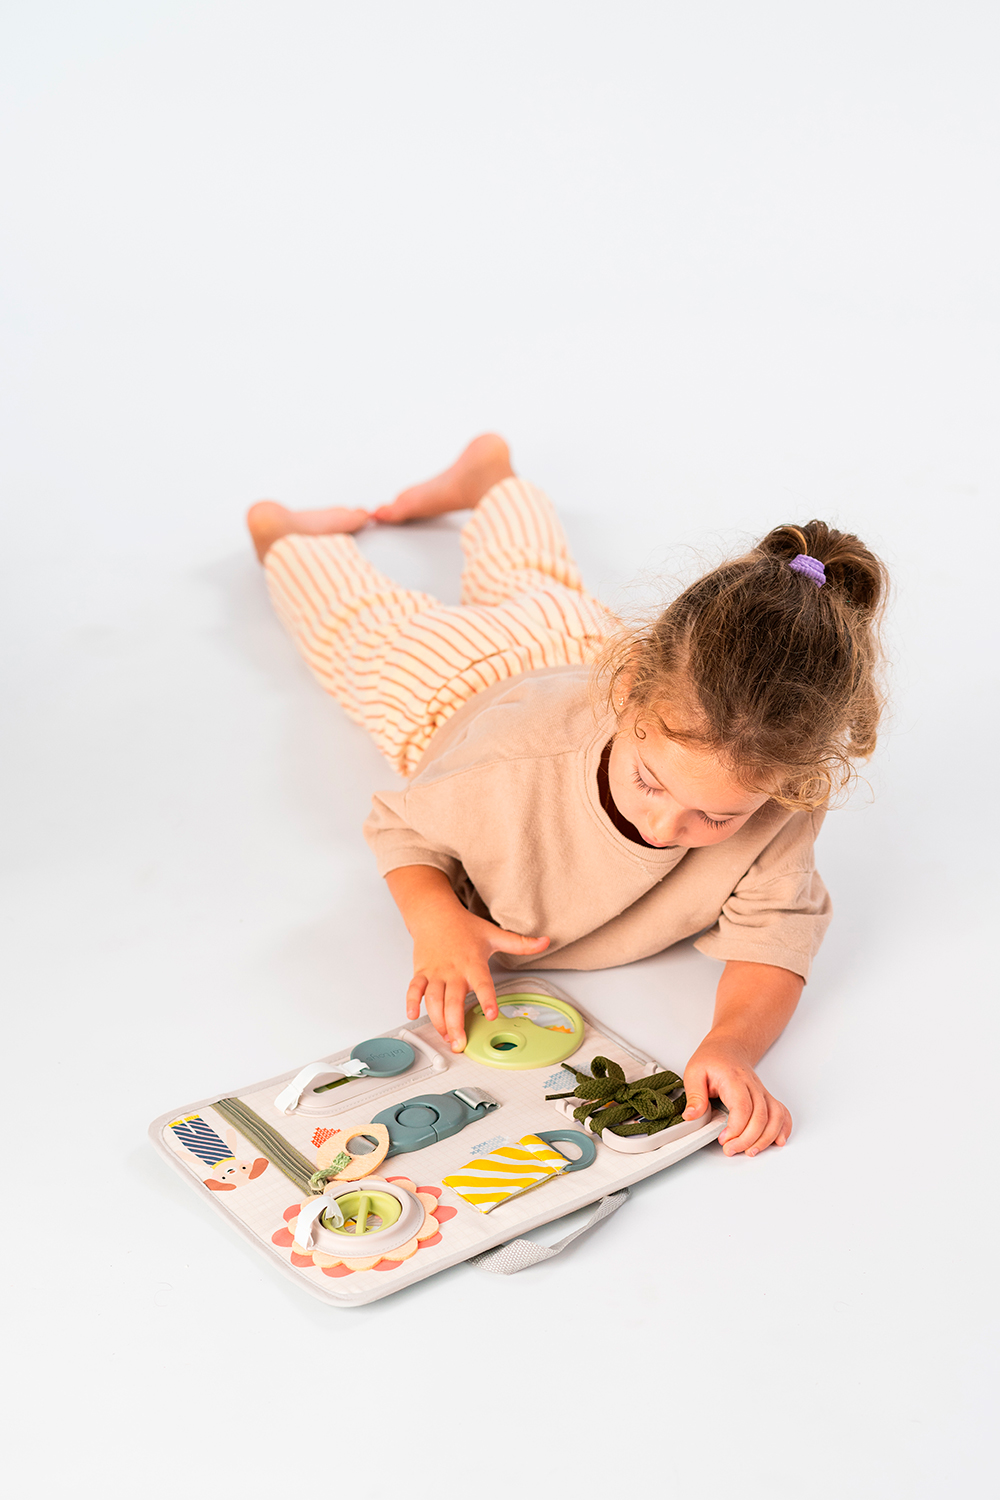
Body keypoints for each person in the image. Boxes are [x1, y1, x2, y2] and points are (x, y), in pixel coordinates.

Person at [247, 434, 887, 1158]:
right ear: (629, 691)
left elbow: (776, 934)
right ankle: (281, 531)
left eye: (716, 817)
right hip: (456, 678)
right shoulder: (511, 765)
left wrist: (731, 1044)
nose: (664, 826)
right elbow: (402, 828)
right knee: (357, 627)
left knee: (535, 577)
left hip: (577, 641)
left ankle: (492, 478)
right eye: (649, 781)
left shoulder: (774, 790)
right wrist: (436, 920)